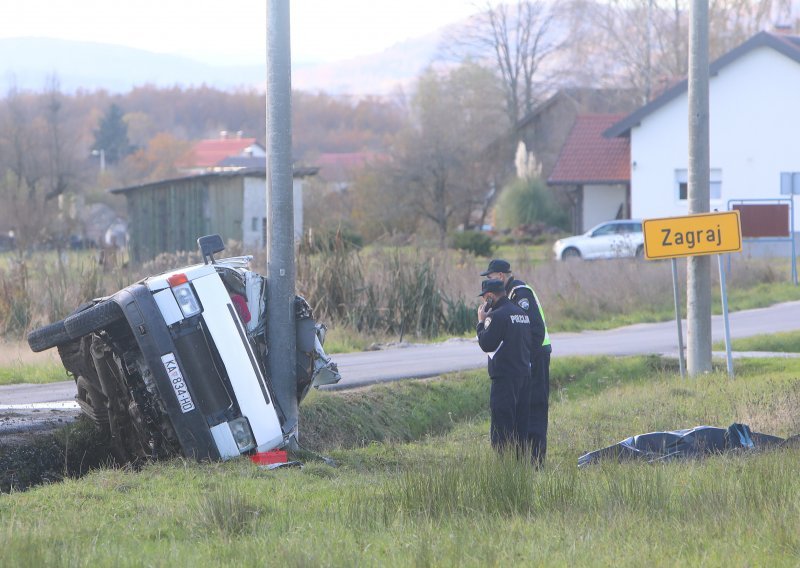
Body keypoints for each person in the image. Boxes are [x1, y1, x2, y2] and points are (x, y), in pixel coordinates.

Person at [481, 259, 551, 466]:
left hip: (536, 358)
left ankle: (536, 462)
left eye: (490, 277)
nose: (488, 281)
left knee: (535, 409)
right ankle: (524, 462)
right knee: (522, 412)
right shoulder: (510, 295)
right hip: (526, 361)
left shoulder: (520, 293)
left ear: (501, 276)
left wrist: (524, 361)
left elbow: (534, 332)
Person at [476, 278, 533, 454]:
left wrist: (480, 322)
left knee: (502, 430)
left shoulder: (495, 316)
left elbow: (486, 344)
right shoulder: (521, 313)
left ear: (491, 296)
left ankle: (505, 471)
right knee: (521, 427)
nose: (484, 302)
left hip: (504, 380)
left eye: (484, 298)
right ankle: (522, 465)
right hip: (524, 378)